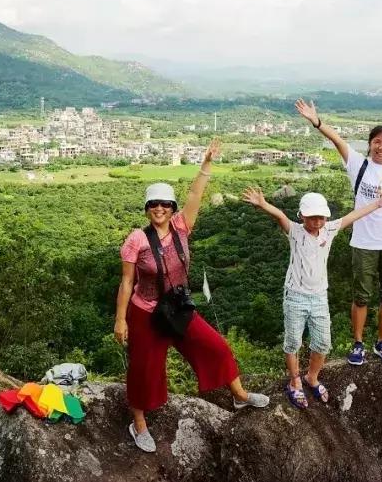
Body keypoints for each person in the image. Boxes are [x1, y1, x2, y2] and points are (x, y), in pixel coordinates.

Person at [114, 140, 269, 453]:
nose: (160, 208)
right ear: (147, 209)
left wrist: (206, 164)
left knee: (216, 347)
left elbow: (195, 195)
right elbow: (127, 281)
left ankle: (239, 396)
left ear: (172, 208)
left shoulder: (182, 227)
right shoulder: (136, 240)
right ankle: (139, 423)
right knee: (144, 368)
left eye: (166, 204)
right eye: (154, 204)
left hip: (178, 307)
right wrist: (120, 320)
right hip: (146, 312)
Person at [295, 96, 382, 366]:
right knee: (362, 296)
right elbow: (337, 140)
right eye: (376, 141)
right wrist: (315, 120)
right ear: (370, 145)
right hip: (364, 242)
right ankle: (358, 343)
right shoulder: (359, 164)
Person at [242, 186, 382, 409]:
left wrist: (378, 204)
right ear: (302, 216)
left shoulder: (329, 230)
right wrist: (263, 204)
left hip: (319, 297)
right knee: (293, 342)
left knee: (323, 342)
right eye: (312, 217)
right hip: (295, 296)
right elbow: (280, 216)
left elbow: (352, 216)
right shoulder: (295, 232)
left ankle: (311, 377)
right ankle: (295, 381)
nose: (317, 222)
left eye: (321, 217)